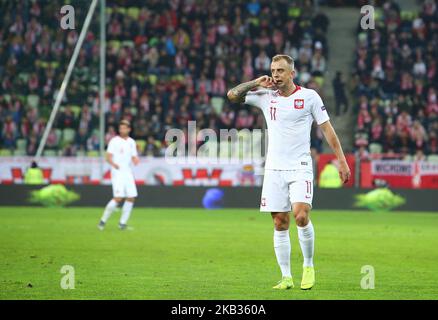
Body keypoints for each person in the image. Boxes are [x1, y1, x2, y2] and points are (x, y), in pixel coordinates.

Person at [227, 54, 350, 290]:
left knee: (301, 215)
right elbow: (232, 95)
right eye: (273, 70)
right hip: (274, 168)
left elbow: (327, 129)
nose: (276, 75)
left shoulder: (309, 97)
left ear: (292, 73)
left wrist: (341, 161)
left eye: (281, 71)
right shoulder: (265, 95)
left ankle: (308, 266)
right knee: (280, 222)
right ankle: (286, 277)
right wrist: (255, 83)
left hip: (300, 166)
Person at [98, 120, 140, 231]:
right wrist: (113, 164)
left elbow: (133, 156)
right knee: (118, 198)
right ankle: (102, 221)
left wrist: (135, 159)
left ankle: (122, 224)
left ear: (129, 129)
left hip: (127, 172)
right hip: (117, 172)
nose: (122, 130)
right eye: (121, 128)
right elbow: (108, 156)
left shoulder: (131, 142)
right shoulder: (114, 141)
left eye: (124, 128)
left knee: (131, 197)